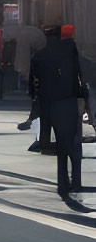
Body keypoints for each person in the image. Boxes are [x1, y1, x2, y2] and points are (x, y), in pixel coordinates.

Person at [29, 25, 88, 197]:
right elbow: (80, 73)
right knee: (73, 143)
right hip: (69, 100)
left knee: (61, 146)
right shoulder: (69, 51)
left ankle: (63, 183)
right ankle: (75, 182)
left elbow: (34, 83)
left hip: (50, 104)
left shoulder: (40, 56)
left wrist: (35, 102)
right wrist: (82, 96)